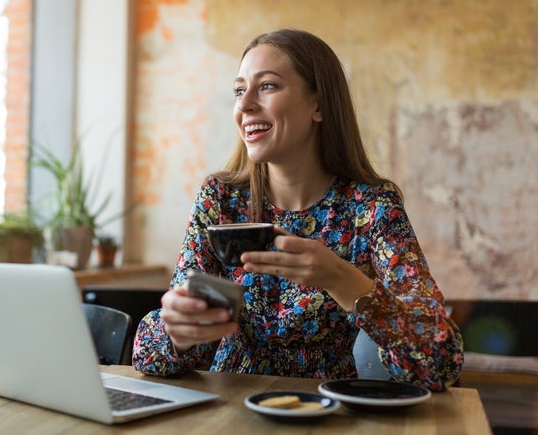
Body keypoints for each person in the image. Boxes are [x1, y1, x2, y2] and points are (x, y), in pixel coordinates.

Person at [132, 28, 463, 391]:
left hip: (328, 414)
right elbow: (149, 357)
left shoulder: (371, 206)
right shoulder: (221, 199)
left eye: (268, 86)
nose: (243, 106)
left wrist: (341, 279)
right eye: (240, 90)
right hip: (228, 409)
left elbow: (440, 360)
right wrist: (178, 332)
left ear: (318, 105)